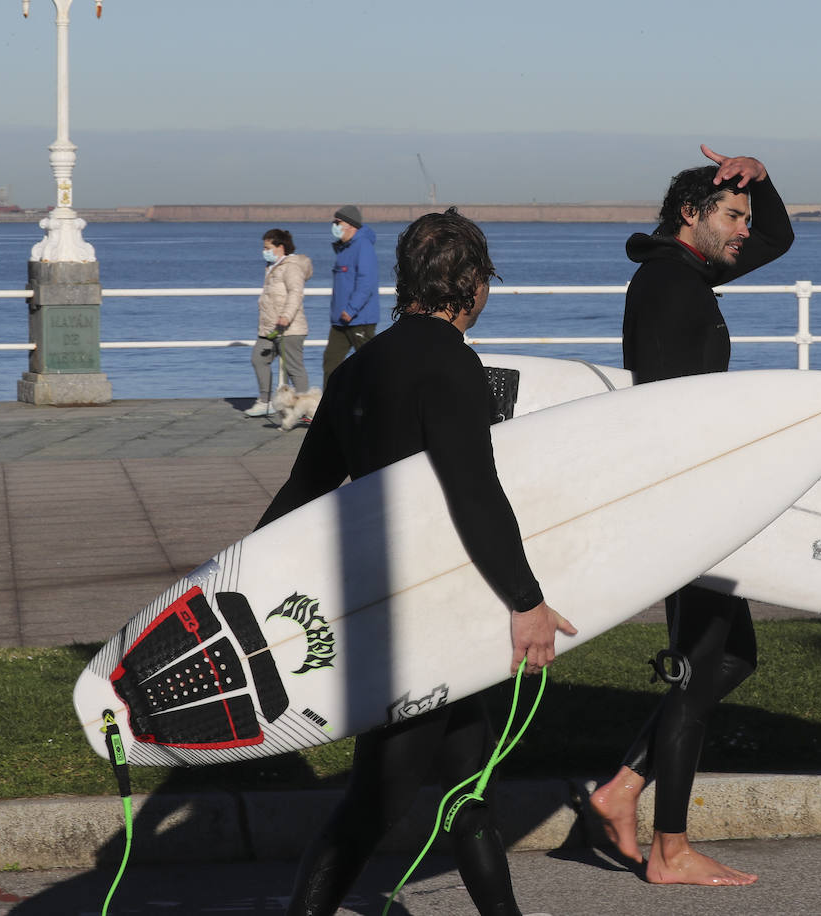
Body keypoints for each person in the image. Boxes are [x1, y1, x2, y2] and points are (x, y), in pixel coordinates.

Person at [257, 207, 577, 916]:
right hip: (426, 614)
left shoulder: (356, 368)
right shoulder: (452, 366)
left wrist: (241, 575)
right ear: (470, 284)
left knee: (467, 787)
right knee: (374, 802)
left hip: (391, 598)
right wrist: (526, 602)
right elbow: (474, 493)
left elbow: (305, 489)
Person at [589, 143, 795, 887]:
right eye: (733, 215)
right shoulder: (672, 285)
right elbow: (670, 411)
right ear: (691, 214)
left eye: (744, 214)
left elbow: (779, 239)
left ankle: (620, 790)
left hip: (695, 496)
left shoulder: (682, 270)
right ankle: (668, 850)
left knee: (730, 655)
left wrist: (761, 182)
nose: (745, 229)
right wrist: (701, 505)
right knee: (697, 668)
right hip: (685, 499)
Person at [245, 228, 314, 417]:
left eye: (267, 247)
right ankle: (265, 401)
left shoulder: (291, 267)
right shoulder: (271, 267)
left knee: (294, 368)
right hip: (269, 328)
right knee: (258, 358)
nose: (264, 251)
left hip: (290, 328)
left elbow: (295, 293)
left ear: (280, 247)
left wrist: (286, 316)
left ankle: (306, 409)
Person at [320, 204, 379, 388]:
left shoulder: (363, 246)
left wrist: (351, 309)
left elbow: (366, 282)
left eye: (338, 222)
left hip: (359, 319)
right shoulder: (344, 248)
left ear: (351, 225)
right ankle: (330, 408)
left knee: (369, 366)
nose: (334, 226)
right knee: (331, 362)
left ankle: (376, 406)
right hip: (340, 320)